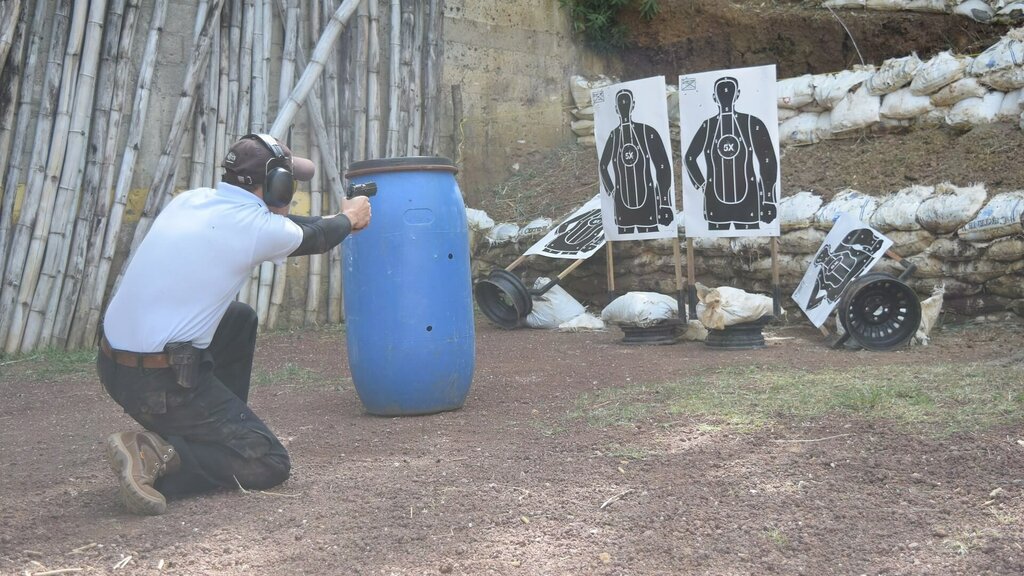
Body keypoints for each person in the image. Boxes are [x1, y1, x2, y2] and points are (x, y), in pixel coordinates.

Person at [97, 133, 371, 515]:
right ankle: (160, 455)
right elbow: (317, 237)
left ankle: (208, 435)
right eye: (289, 182)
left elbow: (297, 226)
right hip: (154, 385)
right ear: (275, 185)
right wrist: (350, 217)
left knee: (238, 320)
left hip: (114, 365)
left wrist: (339, 220)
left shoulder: (191, 200)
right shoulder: (257, 229)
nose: (290, 191)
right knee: (269, 462)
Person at [684, 76, 778, 231]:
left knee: (749, 245)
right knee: (716, 246)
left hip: (748, 198)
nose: (725, 96)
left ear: (737, 94)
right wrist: (702, 184)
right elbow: (689, 158)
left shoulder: (751, 123)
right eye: (722, 93)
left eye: (729, 92)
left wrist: (768, 198)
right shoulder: (708, 126)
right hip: (716, 199)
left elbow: (767, 159)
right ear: (715, 97)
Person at [598, 88, 675, 235]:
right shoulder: (614, 136)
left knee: (651, 236)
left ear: (633, 105)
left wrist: (664, 201)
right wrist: (612, 191)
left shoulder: (647, 132)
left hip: (648, 200)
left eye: (627, 102)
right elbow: (603, 165)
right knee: (626, 242)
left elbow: (663, 166)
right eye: (621, 103)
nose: (624, 106)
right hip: (622, 203)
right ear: (616, 108)